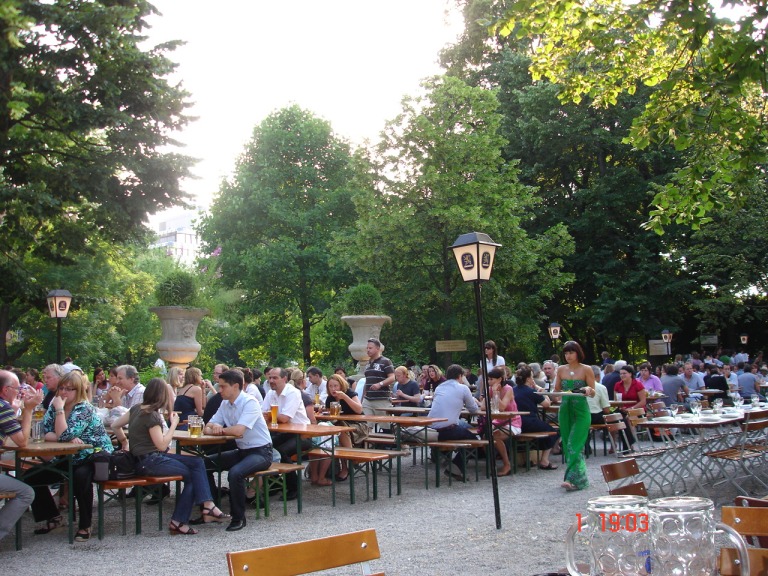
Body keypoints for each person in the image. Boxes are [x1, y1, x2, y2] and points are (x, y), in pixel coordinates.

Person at [112, 378, 228, 535]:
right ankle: (184, 518)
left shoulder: (136, 408)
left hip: (143, 460)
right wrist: (174, 424)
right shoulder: (151, 416)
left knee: (197, 462)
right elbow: (161, 445)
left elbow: (115, 425)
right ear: (162, 396)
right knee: (194, 475)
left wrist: (124, 442)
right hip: (151, 461)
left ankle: (206, 505)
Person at [25, 370, 113, 541]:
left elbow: (64, 435)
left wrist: (59, 414)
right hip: (67, 456)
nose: (64, 392)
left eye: (69, 389)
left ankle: (85, 524)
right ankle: (53, 516)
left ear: (78, 390)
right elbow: (43, 432)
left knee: (80, 477)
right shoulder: (55, 405)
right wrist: (60, 433)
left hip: (91, 455)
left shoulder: (84, 408)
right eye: (62, 388)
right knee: (31, 477)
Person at [205, 369, 274, 531]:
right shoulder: (224, 403)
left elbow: (238, 431)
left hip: (261, 452)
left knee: (235, 473)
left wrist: (219, 429)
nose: (219, 390)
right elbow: (207, 427)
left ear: (235, 386)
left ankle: (238, 517)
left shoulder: (249, 402)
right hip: (243, 451)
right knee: (203, 463)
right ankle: (211, 506)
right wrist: (214, 427)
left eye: (222, 387)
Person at [261, 367, 311, 500]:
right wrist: (272, 416)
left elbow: (284, 418)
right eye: (270, 377)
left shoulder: (292, 392)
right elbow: (262, 414)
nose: (271, 380)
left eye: (275, 378)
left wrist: (270, 415)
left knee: (281, 451)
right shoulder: (271, 393)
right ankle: (275, 482)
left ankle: (293, 487)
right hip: (283, 432)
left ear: (284, 379)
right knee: (264, 448)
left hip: (302, 433)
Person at [0, 370, 37, 543]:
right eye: (17, 388)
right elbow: (22, 442)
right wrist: (28, 410)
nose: (19, 392)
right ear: (5, 390)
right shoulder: (2, 407)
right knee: (26, 492)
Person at [555, 340, 596, 492]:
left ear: (578, 353)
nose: (568, 356)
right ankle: (577, 479)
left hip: (581, 411)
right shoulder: (560, 369)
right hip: (565, 410)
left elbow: (593, 392)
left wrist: (587, 389)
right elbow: (557, 391)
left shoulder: (586, 369)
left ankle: (571, 479)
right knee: (567, 444)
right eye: (566, 353)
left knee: (574, 443)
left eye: (571, 352)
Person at [427, 364, 480, 478]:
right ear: (460, 376)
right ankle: (455, 469)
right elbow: (474, 410)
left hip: (431, 428)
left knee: (465, 426)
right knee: (475, 440)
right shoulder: (463, 388)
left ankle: (443, 455)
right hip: (446, 430)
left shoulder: (439, 387)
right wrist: (477, 402)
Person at [310, 374, 364, 485]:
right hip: (339, 425)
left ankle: (347, 466)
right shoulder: (330, 398)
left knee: (341, 432)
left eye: (336, 386)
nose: (333, 389)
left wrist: (345, 397)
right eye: (330, 386)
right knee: (327, 433)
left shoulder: (349, 393)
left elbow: (359, 410)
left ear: (341, 385)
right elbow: (330, 416)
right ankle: (321, 471)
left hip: (358, 425)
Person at [513, 365, 559, 469]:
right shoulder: (531, 391)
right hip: (529, 422)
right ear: (529, 379)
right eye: (532, 377)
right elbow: (547, 404)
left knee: (543, 429)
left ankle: (529, 458)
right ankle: (544, 460)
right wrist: (541, 390)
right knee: (553, 432)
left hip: (515, 422)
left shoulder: (512, 390)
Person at [482, 367, 521, 477]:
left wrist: (495, 393)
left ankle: (507, 464)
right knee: (485, 437)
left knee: (495, 436)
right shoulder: (489, 389)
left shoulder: (508, 389)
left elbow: (502, 407)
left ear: (499, 379)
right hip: (498, 421)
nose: (489, 382)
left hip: (513, 421)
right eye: (488, 380)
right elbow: (482, 407)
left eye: (491, 379)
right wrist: (490, 393)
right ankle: (492, 462)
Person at [361, 338, 395, 416]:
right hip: (368, 400)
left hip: (381, 399)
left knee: (385, 426)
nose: (368, 350)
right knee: (366, 425)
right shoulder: (368, 363)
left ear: (377, 348)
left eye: (370, 348)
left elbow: (392, 377)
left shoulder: (386, 361)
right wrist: (362, 398)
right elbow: (367, 381)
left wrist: (380, 384)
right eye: (367, 348)